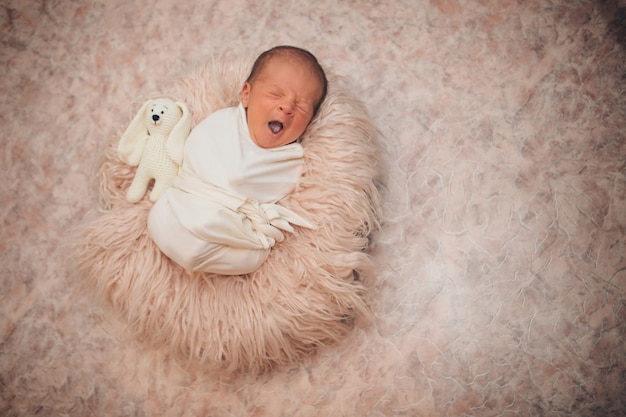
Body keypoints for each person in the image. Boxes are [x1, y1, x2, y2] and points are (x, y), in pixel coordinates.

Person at [147, 46, 328, 275]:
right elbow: (193, 156)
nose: (287, 107)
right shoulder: (221, 123)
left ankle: (201, 251)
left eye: (301, 106)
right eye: (275, 94)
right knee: (157, 218)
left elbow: (272, 201)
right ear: (246, 95)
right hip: (180, 208)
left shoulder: (290, 160)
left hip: (224, 233)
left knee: (254, 257)